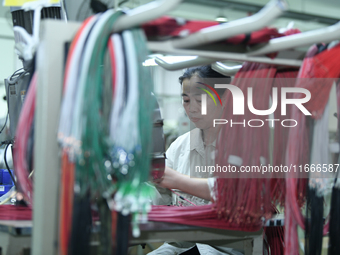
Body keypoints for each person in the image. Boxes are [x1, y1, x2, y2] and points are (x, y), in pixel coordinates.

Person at [149, 66, 243, 255]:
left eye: (200, 100)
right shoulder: (180, 146)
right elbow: (162, 197)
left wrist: (177, 180)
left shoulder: (243, 145)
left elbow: (234, 192)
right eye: (186, 100)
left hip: (227, 249)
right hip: (180, 245)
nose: (191, 108)